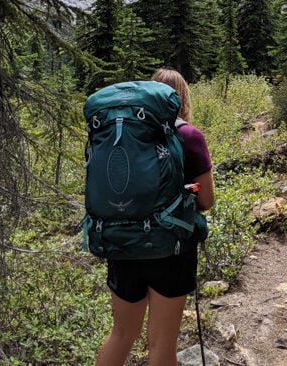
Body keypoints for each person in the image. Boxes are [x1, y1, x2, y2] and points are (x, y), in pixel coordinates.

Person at [94, 68, 215, 366]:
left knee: (121, 334)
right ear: (181, 98)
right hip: (170, 250)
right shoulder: (188, 135)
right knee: (161, 344)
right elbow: (207, 201)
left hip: (122, 243)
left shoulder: (118, 133)